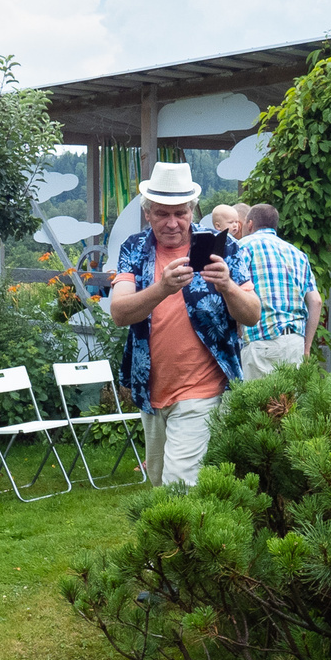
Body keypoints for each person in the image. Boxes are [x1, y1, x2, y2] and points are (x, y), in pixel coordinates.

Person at [107, 162, 259, 487]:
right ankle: (177, 539)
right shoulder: (135, 249)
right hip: (151, 391)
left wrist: (229, 286)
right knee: (159, 484)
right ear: (148, 214)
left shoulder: (224, 248)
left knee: (180, 483)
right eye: (162, 213)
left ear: (192, 211)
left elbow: (252, 314)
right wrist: (162, 288)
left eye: (180, 213)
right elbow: (119, 313)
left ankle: (189, 536)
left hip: (202, 390)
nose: (173, 223)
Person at [229, 202, 323, 379]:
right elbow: (316, 301)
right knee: (288, 406)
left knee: (257, 405)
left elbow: (234, 292)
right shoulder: (298, 254)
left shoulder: (242, 247)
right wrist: (306, 348)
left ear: (250, 224)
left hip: (260, 341)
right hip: (294, 342)